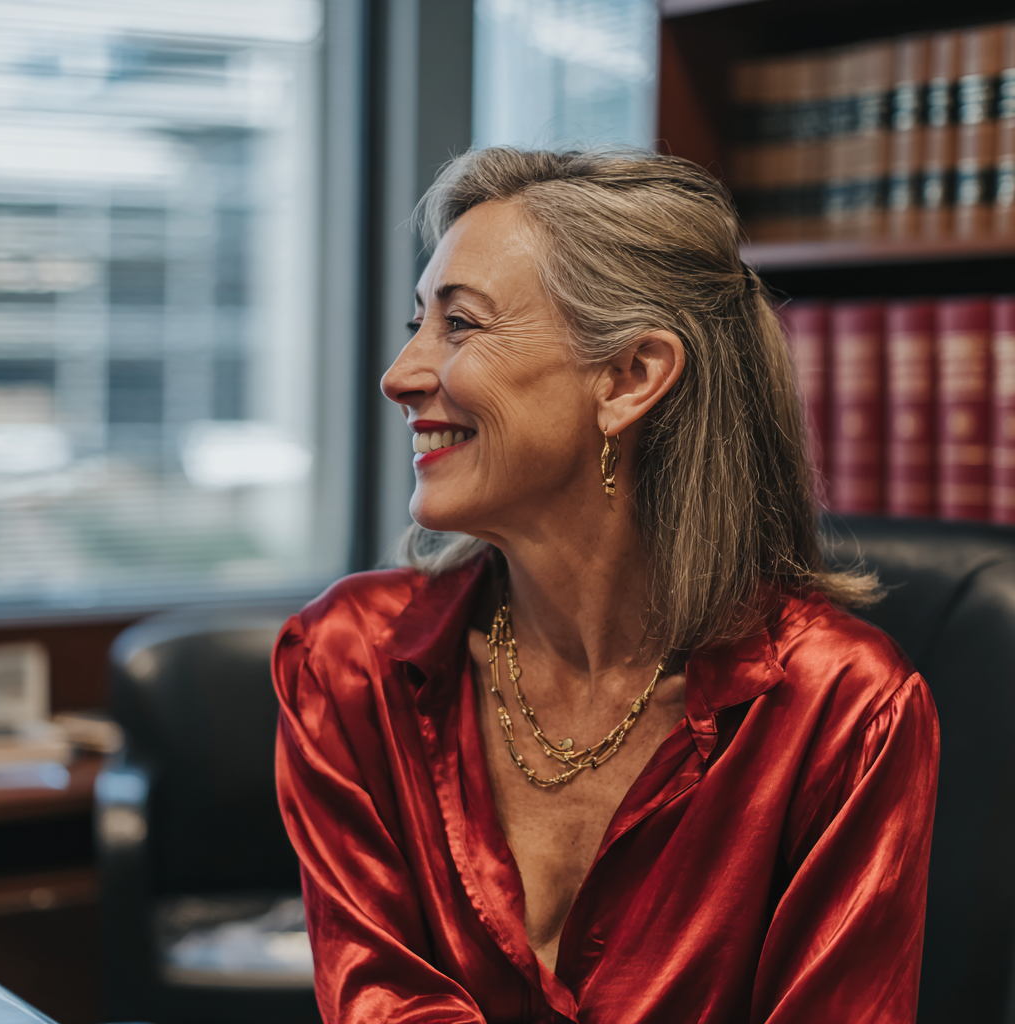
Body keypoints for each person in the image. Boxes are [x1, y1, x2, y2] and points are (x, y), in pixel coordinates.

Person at [272, 149, 939, 1024]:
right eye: (415, 325)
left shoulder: (845, 709)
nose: (400, 375)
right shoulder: (345, 663)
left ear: (629, 377)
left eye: (460, 326)